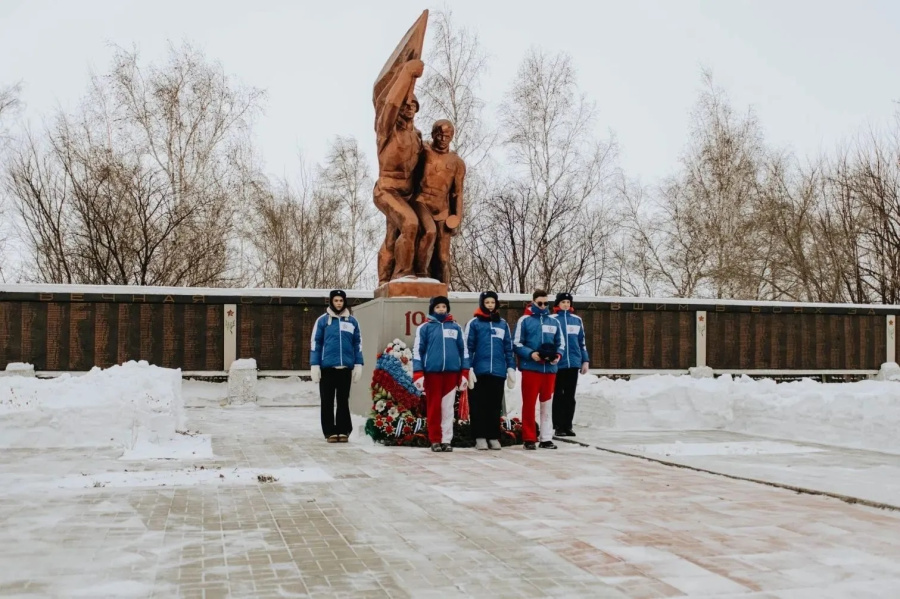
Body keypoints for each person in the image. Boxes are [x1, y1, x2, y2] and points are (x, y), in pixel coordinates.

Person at [412, 295, 470, 452]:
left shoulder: (455, 327)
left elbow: (463, 350)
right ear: (432, 309)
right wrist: (418, 372)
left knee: (448, 408)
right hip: (432, 374)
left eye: (444, 307)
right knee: (434, 408)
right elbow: (418, 350)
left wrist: (465, 372)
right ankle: (435, 439)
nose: (441, 309)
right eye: (438, 307)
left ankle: (446, 440)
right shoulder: (425, 328)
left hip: (451, 374)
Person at [412, 119, 466, 284]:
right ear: (433, 134)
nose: (443, 139)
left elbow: (457, 193)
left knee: (443, 257)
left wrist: (457, 217)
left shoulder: (457, 162)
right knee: (429, 232)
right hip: (422, 201)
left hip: (442, 210)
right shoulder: (424, 151)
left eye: (447, 136)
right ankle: (420, 277)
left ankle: (442, 290)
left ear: (452, 137)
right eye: (439, 134)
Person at [310, 290, 364, 443]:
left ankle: (343, 430)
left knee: (343, 401)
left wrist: (358, 363)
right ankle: (329, 432)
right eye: (336, 300)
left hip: (345, 369)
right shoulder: (322, 321)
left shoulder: (352, 321)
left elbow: (357, 343)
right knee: (327, 401)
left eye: (341, 300)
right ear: (331, 302)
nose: (339, 303)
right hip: (327, 368)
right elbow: (316, 343)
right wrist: (315, 364)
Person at [513, 289, 565, 450]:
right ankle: (529, 438)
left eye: (545, 303)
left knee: (547, 404)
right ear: (533, 302)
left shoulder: (554, 321)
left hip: (549, 370)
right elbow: (516, 343)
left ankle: (546, 437)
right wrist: (531, 354)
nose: (543, 306)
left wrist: (557, 356)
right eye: (540, 303)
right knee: (529, 404)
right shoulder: (525, 320)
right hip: (531, 368)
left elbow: (561, 344)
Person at [464, 291, 516, 451]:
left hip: (498, 372)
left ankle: (493, 436)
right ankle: (479, 437)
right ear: (482, 304)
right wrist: (469, 368)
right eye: (487, 303)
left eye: (492, 303)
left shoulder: (502, 324)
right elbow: (468, 347)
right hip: (479, 372)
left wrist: (510, 367)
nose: (490, 305)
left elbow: (508, 348)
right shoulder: (474, 324)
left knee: (494, 406)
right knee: (479, 405)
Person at [551, 292, 590, 437]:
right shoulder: (552, 319)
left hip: (573, 363)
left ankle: (568, 425)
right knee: (558, 395)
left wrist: (585, 360)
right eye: (563, 302)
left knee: (570, 396)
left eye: (568, 302)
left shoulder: (577, 320)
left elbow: (582, 342)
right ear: (558, 304)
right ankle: (558, 426)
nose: (566, 305)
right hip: (558, 363)